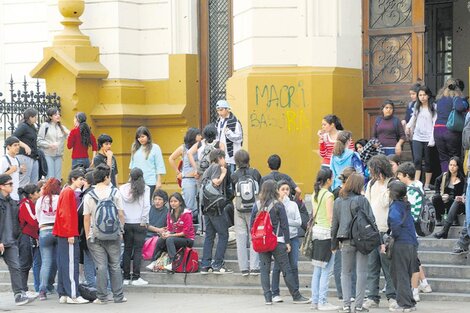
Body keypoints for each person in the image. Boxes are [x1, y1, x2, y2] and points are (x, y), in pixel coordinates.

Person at [249, 180, 310, 305]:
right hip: (278, 241)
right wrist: (287, 242)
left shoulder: (257, 205)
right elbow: (284, 225)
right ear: (274, 190)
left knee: (265, 269)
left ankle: (268, 298)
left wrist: (255, 238)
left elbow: (252, 225)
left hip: (262, 242)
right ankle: (296, 296)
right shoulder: (278, 205)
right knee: (286, 268)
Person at [83, 164, 126, 304]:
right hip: (113, 235)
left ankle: (102, 297)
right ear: (107, 177)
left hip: (95, 236)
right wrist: (120, 230)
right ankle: (118, 296)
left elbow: (86, 217)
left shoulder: (89, 195)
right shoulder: (115, 193)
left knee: (100, 266)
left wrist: (88, 236)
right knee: (115, 265)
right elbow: (120, 214)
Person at [331, 173, 374, 313]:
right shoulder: (362, 200)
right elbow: (371, 220)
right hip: (362, 240)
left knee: (345, 273)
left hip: (345, 240)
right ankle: (359, 306)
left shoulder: (338, 201)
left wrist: (333, 244)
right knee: (362, 272)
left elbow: (334, 224)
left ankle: (346, 305)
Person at [363, 155, 397, 310]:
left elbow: (386, 203)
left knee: (388, 266)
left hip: (386, 231)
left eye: (373, 170)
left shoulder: (392, 184)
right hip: (372, 230)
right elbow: (367, 205)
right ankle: (372, 296)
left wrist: (384, 184)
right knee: (372, 266)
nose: (371, 174)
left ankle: (392, 297)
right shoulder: (370, 184)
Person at [396, 162, 433, 302]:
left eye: (399, 175)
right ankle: (424, 284)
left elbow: (408, 214)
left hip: (410, 231)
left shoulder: (410, 192)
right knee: (415, 259)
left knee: (413, 262)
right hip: (415, 230)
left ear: (405, 175)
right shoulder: (418, 185)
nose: (398, 177)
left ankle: (415, 291)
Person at [52, 168, 89, 304]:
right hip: (68, 233)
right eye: (80, 179)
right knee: (71, 264)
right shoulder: (69, 192)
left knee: (63, 264)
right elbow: (67, 215)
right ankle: (73, 294)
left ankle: (63, 293)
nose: (82, 181)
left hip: (62, 233)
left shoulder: (65, 191)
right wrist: (71, 234)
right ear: (73, 179)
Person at [0, 174, 35, 305]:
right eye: (10, 184)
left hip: (11, 241)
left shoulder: (12, 201)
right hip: (1, 241)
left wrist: (17, 235)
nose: (12, 186)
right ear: (1, 186)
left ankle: (19, 295)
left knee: (16, 267)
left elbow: (17, 221)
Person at [310, 169, 339, 311]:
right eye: (332, 178)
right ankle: (322, 301)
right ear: (328, 180)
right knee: (327, 269)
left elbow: (315, 214)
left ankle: (315, 301)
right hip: (327, 234)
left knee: (317, 269)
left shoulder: (315, 193)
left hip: (316, 233)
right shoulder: (328, 195)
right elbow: (330, 217)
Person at [200, 149, 233, 274]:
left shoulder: (207, 169)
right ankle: (217, 264)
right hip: (216, 207)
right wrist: (224, 173)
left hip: (206, 207)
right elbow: (216, 182)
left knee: (209, 235)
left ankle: (205, 265)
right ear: (219, 158)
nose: (225, 160)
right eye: (224, 158)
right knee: (224, 234)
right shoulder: (217, 167)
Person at [387, 181, 418, 312]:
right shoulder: (406, 205)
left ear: (393, 193)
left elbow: (395, 224)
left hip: (401, 243)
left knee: (399, 274)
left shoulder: (395, 207)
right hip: (411, 242)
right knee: (405, 273)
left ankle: (406, 304)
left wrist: (391, 235)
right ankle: (409, 300)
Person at [231, 149, 261, 276]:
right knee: (254, 236)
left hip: (239, 208)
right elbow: (260, 189)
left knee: (241, 237)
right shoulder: (255, 172)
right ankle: (254, 267)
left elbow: (231, 192)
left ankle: (243, 268)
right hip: (254, 208)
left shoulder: (234, 175)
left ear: (236, 161)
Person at [271, 180, 302, 304]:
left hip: (293, 237)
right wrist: (284, 223)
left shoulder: (293, 204)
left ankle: (296, 291)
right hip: (280, 239)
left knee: (294, 265)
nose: (285, 192)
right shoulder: (275, 204)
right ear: (278, 191)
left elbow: (298, 222)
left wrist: (285, 221)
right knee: (278, 267)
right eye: (283, 189)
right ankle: (275, 292)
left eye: (287, 189)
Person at [120, 167, 150, 286]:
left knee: (127, 249)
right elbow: (146, 206)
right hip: (139, 223)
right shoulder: (145, 188)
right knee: (138, 250)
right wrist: (144, 220)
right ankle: (136, 277)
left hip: (126, 222)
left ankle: (126, 277)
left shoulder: (121, 189)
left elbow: (120, 207)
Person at [153, 192, 195, 270]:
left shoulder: (186, 213)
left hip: (188, 239)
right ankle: (154, 261)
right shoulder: (170, 213)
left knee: (169, 239)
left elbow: (185, 233)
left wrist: (170, 235)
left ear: (180, 202)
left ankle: (174, 263)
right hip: (175, 238)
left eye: (175, 201)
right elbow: (169, 229)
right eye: (171, 201)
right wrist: (164, 234)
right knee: (161, 239)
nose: (173, 203)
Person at [406, 86, 437, 190]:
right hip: (417, 137)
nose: (422, 97)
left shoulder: (433, 107)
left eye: (424, 95)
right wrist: (408, 126)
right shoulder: (417, 106)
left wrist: (432, 138)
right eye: (420, 95)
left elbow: (434, 123)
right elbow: (413, 118)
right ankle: (416, 183)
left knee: (428, 161)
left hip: (429, 137)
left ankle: (427, 184)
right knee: (417, 160)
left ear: (428, 95)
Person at [434, 78, 468, 172]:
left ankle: (445, 180)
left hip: (437, 130)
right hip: (450, 131)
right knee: (454, 157)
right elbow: (460, 107)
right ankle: (453, 182)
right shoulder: (457, 97)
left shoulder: (439, 99)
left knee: (443, 158)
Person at [35, 178, 61, 300]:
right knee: (58, 261)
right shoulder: (59, 198)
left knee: (46, 262)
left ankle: (42, 290)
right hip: (57, 230)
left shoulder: (40, 200)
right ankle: (59, 287)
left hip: (44, 230)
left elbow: (38, 217)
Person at [169, 128, 201, 223]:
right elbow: (171, 158)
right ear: (193, 136)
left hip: (199, 178)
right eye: (198, 135)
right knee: (190, 205)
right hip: (188, 179)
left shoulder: (201, 147)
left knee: (199, 204)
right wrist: (178, 172)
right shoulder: (183, 148)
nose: (201, 137)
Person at [129, 126, 166, 201]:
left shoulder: (155, 148)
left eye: (143, 136)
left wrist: (158, 181)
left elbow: (159, 165)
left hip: (150, 181)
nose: (140, 139)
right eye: (138, 137)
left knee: (147, 203)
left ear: (148, 136)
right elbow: (132, 165)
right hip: (136, 181)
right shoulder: (135, 147)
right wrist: (130, 179)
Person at [17, 184, 41, 298]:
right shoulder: (25, 204)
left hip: (29, 236)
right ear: (31, 194)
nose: (39, 193)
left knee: (27, 263)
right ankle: (22, 290)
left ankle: (24, 289)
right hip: (25, 236)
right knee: (24, 264)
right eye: (37, 192)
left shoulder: (30, 203)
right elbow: (32, 220)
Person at [432, 156, 466, 230]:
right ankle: (438, 219)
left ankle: (454, 218)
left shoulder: (462, 180)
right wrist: (438, 193)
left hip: (455, 203)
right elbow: (437, 181)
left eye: (454, 165)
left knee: (452, 200)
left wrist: (450, 198)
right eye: (450, 165)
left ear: (458, 167)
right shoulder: (444, 175)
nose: (452, 167)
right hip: (443, 201)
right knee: (436, 198)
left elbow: (462, 194)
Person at [37, 107, 69, 180]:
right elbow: (39, 141)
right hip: (48, 155)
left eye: (58, 114)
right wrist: (49, 145)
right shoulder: (45, 126)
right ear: (50, 116)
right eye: (55, 114)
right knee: (50, 178)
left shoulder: (62, 127)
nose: (58, 116)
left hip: (59, 156)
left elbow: (70, 136)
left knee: (57, 179)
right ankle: (49, 191)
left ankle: (56, 191)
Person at [77, 170, 96, 288]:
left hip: (89, 232)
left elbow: (81, 215)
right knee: (103, 262)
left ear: (87, 182)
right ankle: (107, 287)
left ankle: (92, 287)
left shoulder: (87, 195)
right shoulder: (107, 192)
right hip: (105, 232)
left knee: (88, 260)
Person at [215, 100, 243, 175]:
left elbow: (239, 138)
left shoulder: (235, 122)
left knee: (231, 178)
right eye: (218, 110)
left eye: (221, 110)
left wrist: (229, 133)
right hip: (221, 156)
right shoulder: (219, 121)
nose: (219, 113)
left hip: (231, 156)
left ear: (227, 109)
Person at [13, 108, 40, 186]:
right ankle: (23, 198)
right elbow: (13, 137)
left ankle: (31, 198)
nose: (36, 118)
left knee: (34, 183)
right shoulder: (23, 126)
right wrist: (25, 146)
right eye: (35, 116)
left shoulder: (32, 127)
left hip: (33, 157)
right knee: (24, 181)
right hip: (24, 156)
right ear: (30, 117)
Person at [1, 136, 23, 201]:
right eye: (15, 145)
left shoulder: (16, 159)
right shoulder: (4, 160)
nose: (18, 147)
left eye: (18, 145)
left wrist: (20, 169)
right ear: (8, 147)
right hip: (8, 197)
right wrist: (10, 171)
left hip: (16, 194)